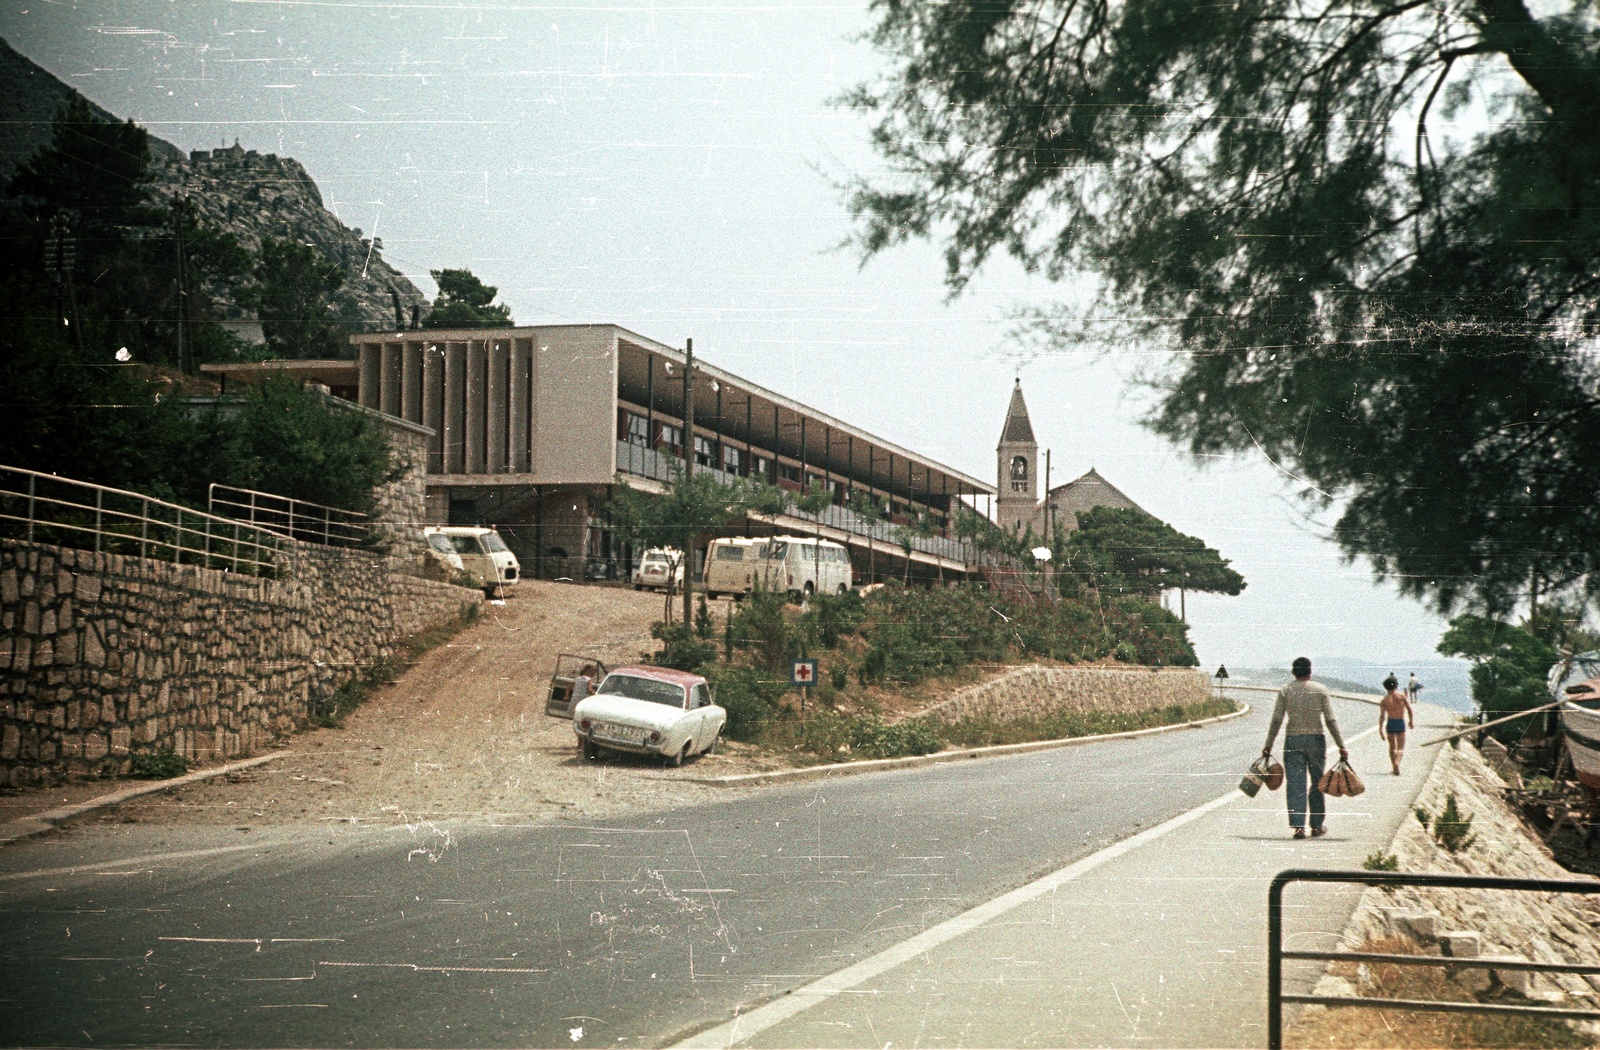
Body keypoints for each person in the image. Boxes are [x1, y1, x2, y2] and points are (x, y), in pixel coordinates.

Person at [1262, 656, 1347, 839]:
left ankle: (1299, 826)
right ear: (1310, 671)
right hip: (1316, 740)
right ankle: (1316, 826)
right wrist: (1341, 745)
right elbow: (1330, 720)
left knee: (1295, 783)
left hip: (1293, 739)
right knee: (1318, 782)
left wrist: (1268, 744)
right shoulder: (1320, 690)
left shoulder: (1286, 690)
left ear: (1293, 672)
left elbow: (1277, 719)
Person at [1379, 674, 1415, 776]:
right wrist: (1411, 721)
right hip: (1400, 722)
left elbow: (1382, 716)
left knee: (1392, 747)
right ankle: (1397, 763)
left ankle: (1393, 766)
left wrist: (1380, 729)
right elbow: (1409, 709)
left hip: (1390, 723)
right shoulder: (1401, 697)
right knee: (1400, 747)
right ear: (1396, 685)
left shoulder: (1384, 700)